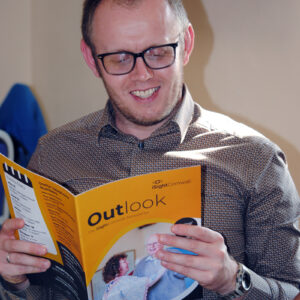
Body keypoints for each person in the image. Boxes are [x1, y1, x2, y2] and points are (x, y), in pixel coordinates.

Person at [0, 0, 299, 299]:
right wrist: (14, 279)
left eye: (158, 53)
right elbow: (44, 291)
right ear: (91, 59)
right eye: (119, 58)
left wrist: (232, 279)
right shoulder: (52, 155)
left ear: (186, 44)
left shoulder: (256, 160)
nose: (142, 75)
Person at [134, 234, 187, 300]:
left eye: (155, 243)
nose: (152, 246)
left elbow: (185, 273)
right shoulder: (141, 263)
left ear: (162, 244)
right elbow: (137, 285)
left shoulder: (174, 253)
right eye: (149, 244)